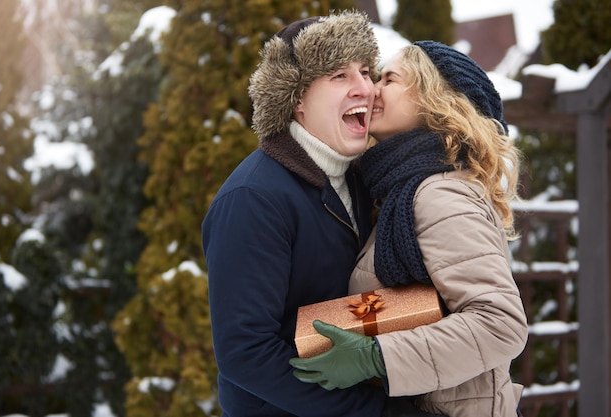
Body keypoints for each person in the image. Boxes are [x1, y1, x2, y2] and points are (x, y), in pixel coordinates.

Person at [289, 41, 529, 417]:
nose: (372, 89)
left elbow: (500, 324)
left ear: (435, 99)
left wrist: (376, 358)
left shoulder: (441, 194)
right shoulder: (398, 191)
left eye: (390, 79)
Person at [202, 11, 393, 417]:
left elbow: (344, 310)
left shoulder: (358, 181)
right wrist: (372, 411)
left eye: (365, 70)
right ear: (297, 98)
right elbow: (245, 352)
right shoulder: (254, 198)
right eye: (339, 75)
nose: (366, 87)